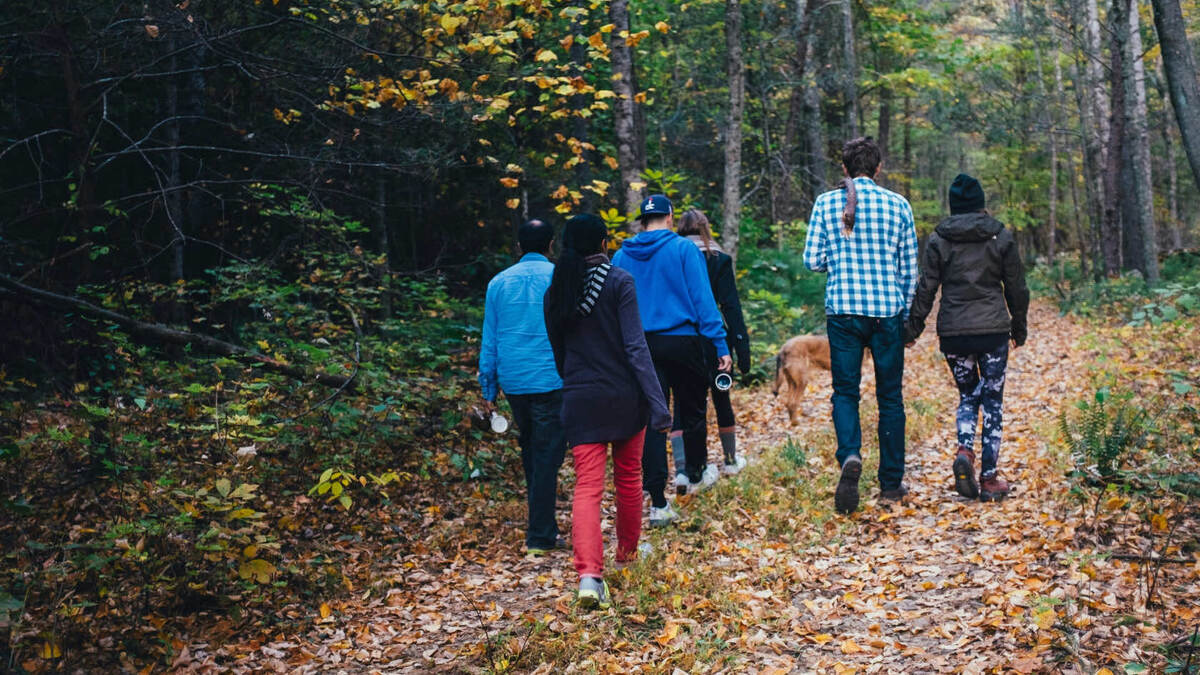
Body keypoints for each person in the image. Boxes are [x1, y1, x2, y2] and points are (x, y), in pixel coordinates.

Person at [544, 214, 670, 610]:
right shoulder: (619, 282)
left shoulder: (556, 291)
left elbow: (559, 354)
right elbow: (636, 347)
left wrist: (578, 383)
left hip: (581, 399)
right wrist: (657, 401)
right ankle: (628, 556)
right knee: (629, 479)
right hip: (623, 399)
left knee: (587, 488)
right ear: (602, 244)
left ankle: (588, 577)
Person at [803, 137, 918, 515]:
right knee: (890, 398)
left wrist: (839, 260)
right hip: (886, 312)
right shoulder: (898, 205)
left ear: (845, 169)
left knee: (845, 392)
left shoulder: (825, 203)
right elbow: (909, 271)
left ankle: (850, 455)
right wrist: (904, 317)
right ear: (879, 168)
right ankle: (890, 483)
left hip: (844, 312)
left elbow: (812, 261)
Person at [905, 173, 1029, 502]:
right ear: (980, 204)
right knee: (992, 402)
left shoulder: (938, 239)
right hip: (992, 333)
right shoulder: (999, 236)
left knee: (967, 396)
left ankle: (964, 450)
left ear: (954, 205)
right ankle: (988, 479)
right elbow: (1016, 285)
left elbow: (926, 287)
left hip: (954, 333)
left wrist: (912, 328)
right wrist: (1019, 327)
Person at [613, 195, 732, 527]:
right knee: (692, 408)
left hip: (641, 346)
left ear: (642, 220)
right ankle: (694, 475)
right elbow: (702, 299)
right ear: (669, 217)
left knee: (653, 418)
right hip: (683, 340)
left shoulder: (622, 255)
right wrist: (719, 343)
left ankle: (657, 501)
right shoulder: (683, 250)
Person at [478, 219, 567, 556]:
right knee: (547, 454)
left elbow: (491, 339)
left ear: (518, 247)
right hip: (551, 378)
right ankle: (541, 534)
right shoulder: (559, 278)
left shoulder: (498, 283)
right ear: (551, 244)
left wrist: (488, 388)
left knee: (532, 448)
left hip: (515, 380)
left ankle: (541, 524)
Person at [670, 209, 751, 481]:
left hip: (681, 339)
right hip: (716, 341)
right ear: (706, 228)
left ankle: (682, 470)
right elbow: (730, 306)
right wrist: (741, 346)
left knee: (682, 404)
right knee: (721, 397)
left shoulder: (673, 258)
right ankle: (729, 460)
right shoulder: (720, 259)